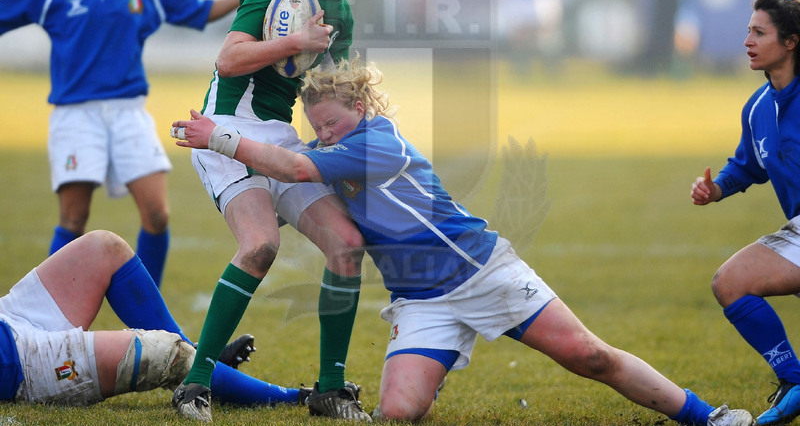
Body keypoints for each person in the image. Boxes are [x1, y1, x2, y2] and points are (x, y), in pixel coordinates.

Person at [172, 59, 754, 426]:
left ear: (361, 109)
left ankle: (708, 415)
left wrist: (219, 137)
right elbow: (296, 167)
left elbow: (295, 168)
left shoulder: (378, 142)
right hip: (420, 300)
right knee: (398, 412)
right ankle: (437, 357)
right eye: (316, 127)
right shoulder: (336, 147)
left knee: (589, 356)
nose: (323, 135)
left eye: (332, 124)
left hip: (480, 270)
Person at [173, 0, 369, 423]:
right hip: (224, 130)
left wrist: (350, 131)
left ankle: (331, 391)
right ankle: (194, 386)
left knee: (347, 244)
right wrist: (296, 41)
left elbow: (324, 96)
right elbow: (228, 58)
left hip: (280, 138)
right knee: (260, 245)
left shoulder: (341, 11)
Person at [0, 0, 240, 288]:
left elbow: (199, 12)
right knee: (74, 219)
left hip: (130, 112)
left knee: (157, 215)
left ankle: (148, 313)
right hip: (76, 115)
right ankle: (50, 315)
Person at [0, 229, 311, 409]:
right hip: (18, 363)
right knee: (168, 356)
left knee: (104, 247)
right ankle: (293, 398)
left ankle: (200, 355)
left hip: (9, 317)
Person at [690, 0, 800, 426]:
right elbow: (748, 165)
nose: (747, 41)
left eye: (759, 32)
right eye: (747, 31)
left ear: (790, 41)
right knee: (730, 282)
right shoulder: (757, 108)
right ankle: (794, 380)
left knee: (733, 280)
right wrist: (716, 188)